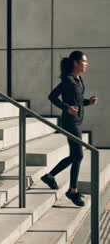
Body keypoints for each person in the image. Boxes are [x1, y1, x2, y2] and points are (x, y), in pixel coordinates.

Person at [40, 50, 98, 207]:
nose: (86, 64)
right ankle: (72, 190)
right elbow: (52, 96)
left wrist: (88, 102)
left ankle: (49, 177)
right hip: (69, 122)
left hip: (77, 120)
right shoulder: (67, 80)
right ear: (76, 63)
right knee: (78, 155)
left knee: (74, 156)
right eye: (84, 62)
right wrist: (66, 108)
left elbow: (77, 101)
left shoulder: (78, 79)